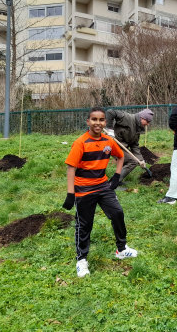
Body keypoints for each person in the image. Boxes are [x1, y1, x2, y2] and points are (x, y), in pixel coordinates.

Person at [63, 107, 138, 278]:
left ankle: (121, 249)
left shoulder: (108, 141)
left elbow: (120, 157)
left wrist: (117, 176)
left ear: (105, 122)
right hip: (83, 188)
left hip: (103, 186)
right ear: (88, 122)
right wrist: (70, 193)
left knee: (118, 213)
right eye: (94, 119)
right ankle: (81, 260)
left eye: (101, 120)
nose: (98, 123)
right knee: (84, 224)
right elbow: (70, 168)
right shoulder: (80, 143)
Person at [105, 108, 154, 187]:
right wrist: (109, 129)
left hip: (121, 147)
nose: (147, 124)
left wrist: (141, 160)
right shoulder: (127, 118)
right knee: (132, 162)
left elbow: (134, 145)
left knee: (132, 160)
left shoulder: (138, 129)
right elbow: (110, 112)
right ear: (142, 118)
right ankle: (113, 183)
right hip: (111, 144)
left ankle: (116, 180)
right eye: (147, 121)